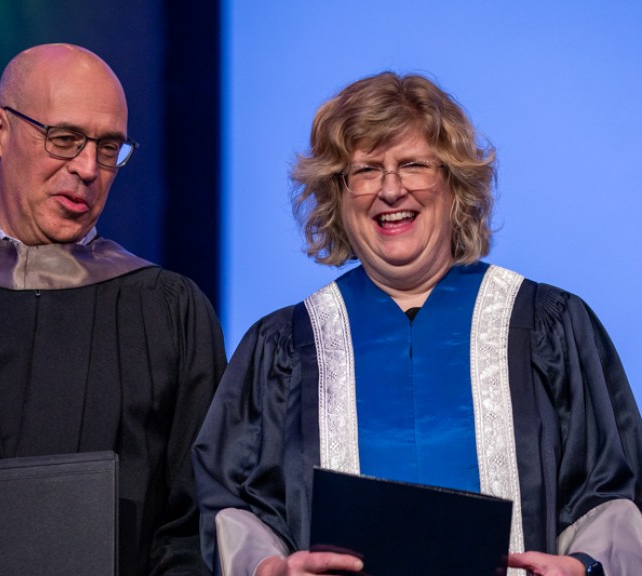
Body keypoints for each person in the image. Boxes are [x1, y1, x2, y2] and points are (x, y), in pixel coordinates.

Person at [192, 71, 642, 576]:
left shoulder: (547, 328)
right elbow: (231, 506)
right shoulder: (285, 349)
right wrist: (269, 570)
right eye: (365, 170)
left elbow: (612, 495)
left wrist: (583, 568)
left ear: (454, 185)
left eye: (413, 165)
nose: (390, 190)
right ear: (336, 196)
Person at [0, 43, 226, 576]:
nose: (87, 168)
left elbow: (192, 527)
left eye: (108, 148)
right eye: (64, 139)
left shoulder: (168, 314)